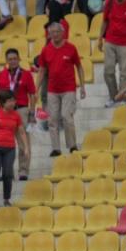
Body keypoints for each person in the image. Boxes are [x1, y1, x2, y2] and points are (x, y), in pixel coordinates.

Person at [38, 21, 85, 157]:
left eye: (57, 32)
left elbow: (79, 67)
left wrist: (82, 86)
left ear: (63, 33)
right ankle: (56, 148)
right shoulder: (46, 50)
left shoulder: (71, 48)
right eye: (52, 32)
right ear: (49, 34)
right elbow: (41, 71)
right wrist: (36, 89)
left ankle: (72, 145)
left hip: (68, 88)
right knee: (52, 119)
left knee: (66, 116)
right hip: (52, 89)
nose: (55, 35)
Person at [0, 49, 37, 181]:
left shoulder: (26, 75)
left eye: (15, 58)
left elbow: (32, 95)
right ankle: (7, 172)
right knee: (4, 143)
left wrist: (31, 112)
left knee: (23, 142)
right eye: (10, 59)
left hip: (21, 110)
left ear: (19, 59)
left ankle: (23, 171)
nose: (12, 61)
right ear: (6, 61)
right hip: (5, 112)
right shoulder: (1, 75)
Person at [0, 90, 27, 212]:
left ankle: (6, 198)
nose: (12, 103)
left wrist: (26, 148)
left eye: (13, 100)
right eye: (9, 101)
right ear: (3, 103)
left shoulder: (16, 115)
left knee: (8, 174)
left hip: (10, 148)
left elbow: (21, 132)